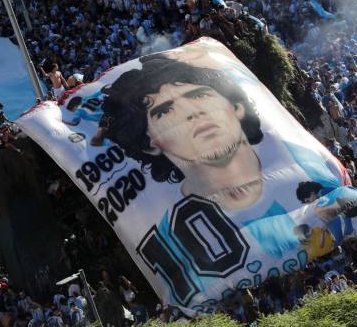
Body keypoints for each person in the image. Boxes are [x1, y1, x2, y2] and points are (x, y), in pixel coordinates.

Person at [102, 53, 264, 210]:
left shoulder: (288, 143)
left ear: (236, 107)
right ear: (149, 145)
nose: (191, 112)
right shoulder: (158, 222)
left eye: (199, 95)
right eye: (163, 112)